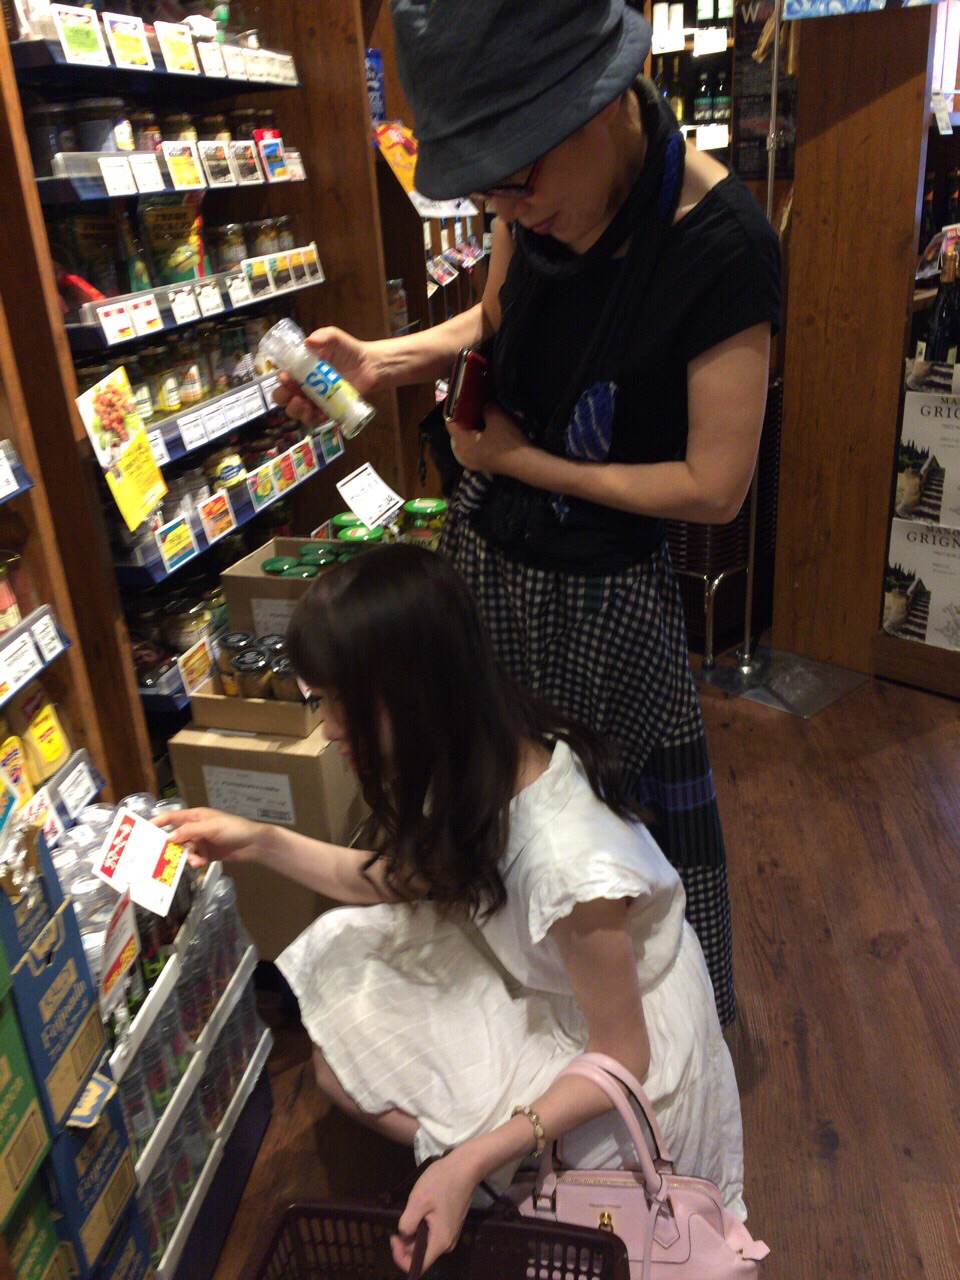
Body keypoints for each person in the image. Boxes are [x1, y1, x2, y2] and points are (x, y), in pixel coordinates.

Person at [274, 0, 781, 1027]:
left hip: (605, 599)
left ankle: (631, 1056)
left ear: (598, 104)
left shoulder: (723, 245)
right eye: (490, 191)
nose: (510, 211)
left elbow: (713, 486)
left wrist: (528, 462)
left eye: (517, 182)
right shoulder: (537, 195)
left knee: (603, 851)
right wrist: (383, 360)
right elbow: (499, 314)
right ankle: (501, 1030)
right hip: (487, 557)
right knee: (483, 816)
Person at [160, 546, 747, 1274]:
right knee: (341, 999)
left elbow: (624, 1056)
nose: (329, 727)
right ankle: (486, 1172)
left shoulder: (571, 863)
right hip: (547, 976)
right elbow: (397, 880)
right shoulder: (478, 756)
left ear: (410, 694)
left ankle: (502, 1179)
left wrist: (470, 1160)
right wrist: (258, 840)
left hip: (616, 1041)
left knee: (350, 1056)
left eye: (340, 701)